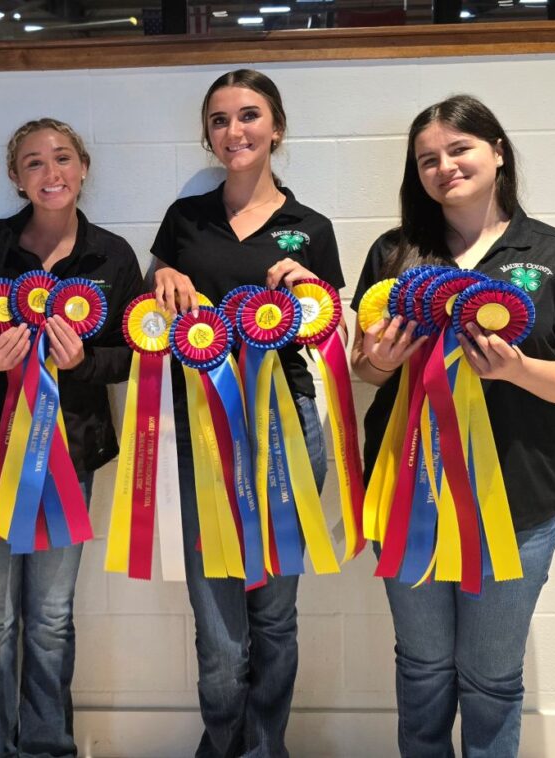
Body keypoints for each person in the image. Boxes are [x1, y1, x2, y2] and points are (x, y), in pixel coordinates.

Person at [350, 94, 555, 757]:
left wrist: (518, 370)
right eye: (427, 159)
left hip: (518, 505)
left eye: (460, 149)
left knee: (492, 679)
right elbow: (365, 367)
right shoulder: (395, 253)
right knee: (421, 671)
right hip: (407, 499)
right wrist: (378, 362)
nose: (445, 167)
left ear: (497, 151)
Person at [0, 117, 143, 758]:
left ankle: (48, 746)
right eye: (33, 163)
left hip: (68, 459)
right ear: (15, 178)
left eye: (63, 159)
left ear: (83, 168)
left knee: (50, 620)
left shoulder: (112, 256)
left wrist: (84, 364)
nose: (51, 173)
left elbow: (135, 355)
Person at [150, 69, 346, 758]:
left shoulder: (311, 228)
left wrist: (314, 292)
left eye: (249, 115)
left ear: (277, 128)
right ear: (207, 134)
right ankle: (221, 743)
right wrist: (162, 278)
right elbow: (156, 314)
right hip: (200, 430)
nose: (235, 130)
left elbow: (332, 334)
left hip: (286, 428)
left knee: (275, 616)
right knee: (217, 627)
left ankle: (267, 747)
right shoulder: (184, 221)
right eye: (220, 119)